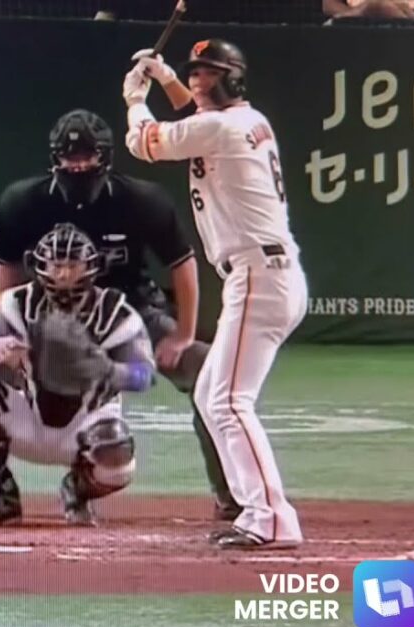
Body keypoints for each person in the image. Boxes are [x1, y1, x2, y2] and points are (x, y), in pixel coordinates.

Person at [0, 108, 241, 521]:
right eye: (70, 159)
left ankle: (232, 491)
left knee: (209, 373)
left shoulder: (142, 201)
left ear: (105, 157)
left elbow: (183, 263)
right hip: (48, 313)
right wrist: (6, 333)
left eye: (87, 157)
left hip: (128, 311)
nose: (78, 166)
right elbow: (3, 277)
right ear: (54, 158)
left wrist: (183, 334)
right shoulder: (24, 202)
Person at [123, 40, 309, 550]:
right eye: (195, 73)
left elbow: (146, 142)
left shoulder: (221, 128)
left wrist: (135, 98)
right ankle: (256, 510)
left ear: (233, 77)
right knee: (212, 395)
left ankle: (272, 518)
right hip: (266, 273)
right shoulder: (247, 120)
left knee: (227, 400)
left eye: (208, 73)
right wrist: (166, 80)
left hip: (259, 276)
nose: (199, 81)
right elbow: (195, 117)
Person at [0, 223, 156, 526]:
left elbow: (145, 375)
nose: (63, 275)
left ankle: (77, 490)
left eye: (73, 266)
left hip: (86, 422)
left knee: (117, 461)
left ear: (91, 267)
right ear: (39, 266)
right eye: (56, 265)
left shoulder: (116, 313)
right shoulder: (15, 304)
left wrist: (109, 370)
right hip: (27, 415)